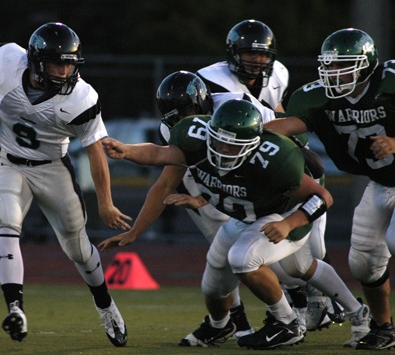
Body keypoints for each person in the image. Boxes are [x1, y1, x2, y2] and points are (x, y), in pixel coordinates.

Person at [100, 98, 370, 350]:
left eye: (232, 146)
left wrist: (289, 224)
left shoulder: (274, 159)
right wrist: (127, 151)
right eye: (218, 142)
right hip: (247, 217)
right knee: (217, 285)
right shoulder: (196, 138)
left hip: (283, 214)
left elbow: (322, 197)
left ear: (253, 144)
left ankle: (287, 323)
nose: (223, 150)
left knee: (242, 259)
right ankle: (358, 313)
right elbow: (160, 155)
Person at [0, 22, 131, 347]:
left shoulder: (81, 97)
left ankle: (105, 305)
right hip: (10, 162)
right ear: (35, 61)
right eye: (56, 63)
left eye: (69, 63)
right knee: (7, 225)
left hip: (53, 169)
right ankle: (15, 309)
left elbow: (95, 152)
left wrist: (105, 201)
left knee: (77, 247)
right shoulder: (8, 60)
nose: (64, 70)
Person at [197, 18, 343, 332]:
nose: (258, 60)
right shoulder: (212, 81)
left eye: (263, 55)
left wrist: (292, 145)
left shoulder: (278, 73)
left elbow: (275, 111)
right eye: (250, 53)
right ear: (233, 53)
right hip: (239, 166)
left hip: (274, 159)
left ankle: (330, 305)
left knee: (313, 249)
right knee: (262, 251)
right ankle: (298, 309)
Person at [264, 28, 395, 350]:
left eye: (343, 65)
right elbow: (288, 126)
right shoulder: (317, 97)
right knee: (364, 263)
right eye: (330, 65)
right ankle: (384, 328)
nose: (334, 73)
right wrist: (249, 134)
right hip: (381, 183)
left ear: (367, 64)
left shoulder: (390, 82)